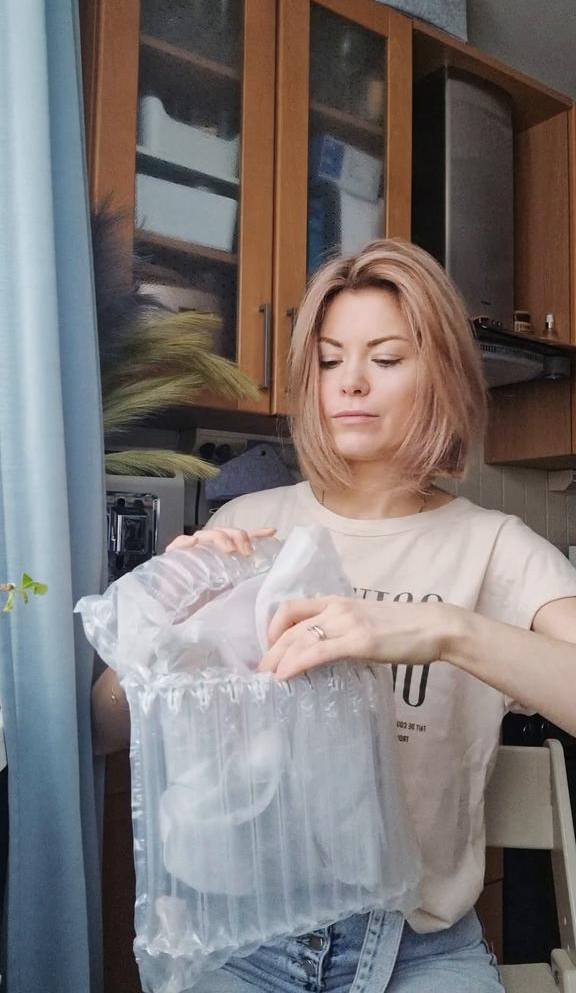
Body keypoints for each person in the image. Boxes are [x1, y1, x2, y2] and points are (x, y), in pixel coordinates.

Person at [92, 239, 576, 992]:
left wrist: (447, 631)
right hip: (247, 939)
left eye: (386, 359)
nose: (351, 381)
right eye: (328, 360)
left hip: (420, 948)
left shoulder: (497, 548)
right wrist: (165, 632)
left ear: (442, 375)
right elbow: (104, 729)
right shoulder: (248, 525)